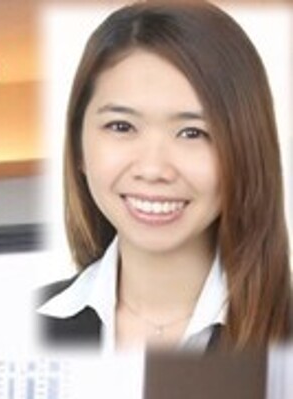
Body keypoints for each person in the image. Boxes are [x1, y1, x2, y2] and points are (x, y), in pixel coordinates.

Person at [38, 1, 293, 351]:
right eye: (121, 126)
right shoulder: (26, 320)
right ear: (79, 147)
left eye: (193, 133)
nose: (153, 169)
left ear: (245, 151)